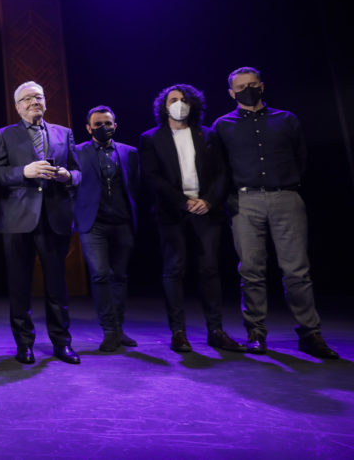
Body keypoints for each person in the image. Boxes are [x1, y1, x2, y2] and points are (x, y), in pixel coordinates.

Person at [212, 67, 338, 358]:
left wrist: (287, 184)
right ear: (231, 93)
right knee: (251, 270)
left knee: (297, 270)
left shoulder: (286, 119)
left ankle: (310, 333)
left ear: (262, 86)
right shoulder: (222, 125)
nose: (247, 90)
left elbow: (301, 157)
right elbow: (219, 167)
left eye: (252, 84)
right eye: (240, 87)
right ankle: (255, 331)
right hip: (245, 201)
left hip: (286, 197)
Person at [139, 84, 244, 354]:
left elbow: (222, 173)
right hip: (172, 213)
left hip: (206, 211)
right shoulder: (151, 138)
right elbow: (152, 177)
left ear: (193, 104)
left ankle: (216, 330)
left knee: (209, 269)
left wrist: (208, 201)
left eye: (184, 99)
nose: (179, 103)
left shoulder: (208, 134)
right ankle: (178, 332)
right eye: (173, 99)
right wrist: (183, 201)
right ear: (164, 107)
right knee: (174, 269)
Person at [0, 81, 82, 365]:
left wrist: (67, 176)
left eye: (38, 97)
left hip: (54, 217)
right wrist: (24, 171)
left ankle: (62, 343)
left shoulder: (64, 133)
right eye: (27, 99)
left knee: (57, 286)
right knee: (20, 286)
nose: (34, 102)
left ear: (45, 102)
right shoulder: (4, 134)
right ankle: (24, 344)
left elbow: (78, 172)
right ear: (17, 106)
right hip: (18, 220)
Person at [74, 105, 140, 352]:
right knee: (100, 274)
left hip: (122, 222)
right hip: (94, 224)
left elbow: (135, 185)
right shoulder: (77, 152)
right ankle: (109, 330)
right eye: (98, 124)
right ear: (89, 128)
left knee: (119, 277)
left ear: (115, 125)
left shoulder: (129, 152)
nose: (104, 127)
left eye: (108, 123)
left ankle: (119, 328)